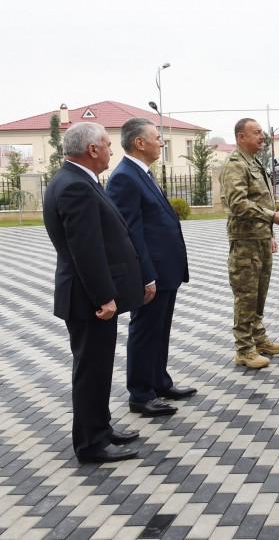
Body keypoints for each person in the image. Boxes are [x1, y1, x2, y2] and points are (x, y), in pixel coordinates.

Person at [42, 122, 145, 463]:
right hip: (88, 299)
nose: (112, 150)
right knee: (91, 371)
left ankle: (101, 427)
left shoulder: (76, 180)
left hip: (87, 295)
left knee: (98, 368)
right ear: (92, 149)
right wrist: (104, 296)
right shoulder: (75, 186)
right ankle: (91, 444)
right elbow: (85, 248)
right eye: (107, 144)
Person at [106, 118, 195, 419]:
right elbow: (130, 233)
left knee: (160, 329)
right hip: (151, 273)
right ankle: (141, 394)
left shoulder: (142, 172)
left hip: (166, 270)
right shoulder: (124, 178)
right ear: (139, 143)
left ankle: (159, 382)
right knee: (145, 331)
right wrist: (146, 276)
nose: (161, 142)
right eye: (157, 138)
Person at [221, 118, 279, 369]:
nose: (262, 136)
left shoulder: (253, 161)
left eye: (262, 132)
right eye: (256, 133)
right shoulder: (235, 164)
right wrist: (272, 216)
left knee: (259, 293)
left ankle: (258, 339)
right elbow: (237, 204)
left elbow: (259, 200)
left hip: (260, 238)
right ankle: (244, 349)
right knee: (246, 295)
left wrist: (269, 234)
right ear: (241, 137)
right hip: (245, 243)